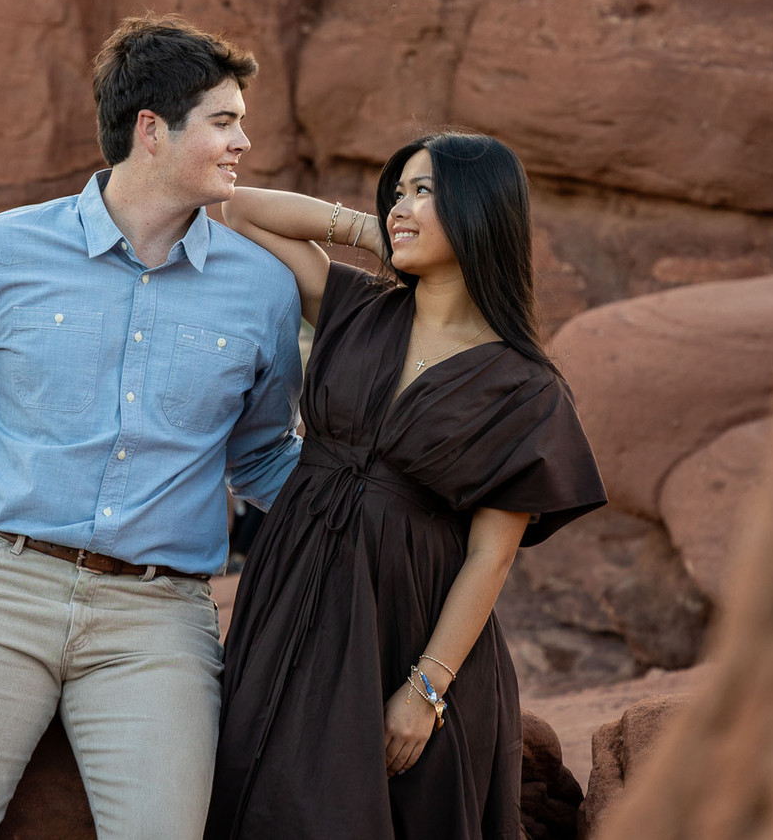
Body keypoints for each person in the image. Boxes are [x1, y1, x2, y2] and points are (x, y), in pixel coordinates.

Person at [0, 15, 303, 840]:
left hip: (157, 617)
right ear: (151, 130)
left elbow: (264, 453)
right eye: (225, 120)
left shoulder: (262, 289)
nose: (244, 141)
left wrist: (380, 510)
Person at [204, 131, 607, 840]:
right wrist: (378, 230)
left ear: (481, 212)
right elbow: (239, 210)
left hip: (408, 630)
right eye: (397, 191)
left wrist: (426, 687)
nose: (401, 205)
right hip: (291, 596)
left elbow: (492, 555)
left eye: (426, 192)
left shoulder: (525, 387)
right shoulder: (355, 304)